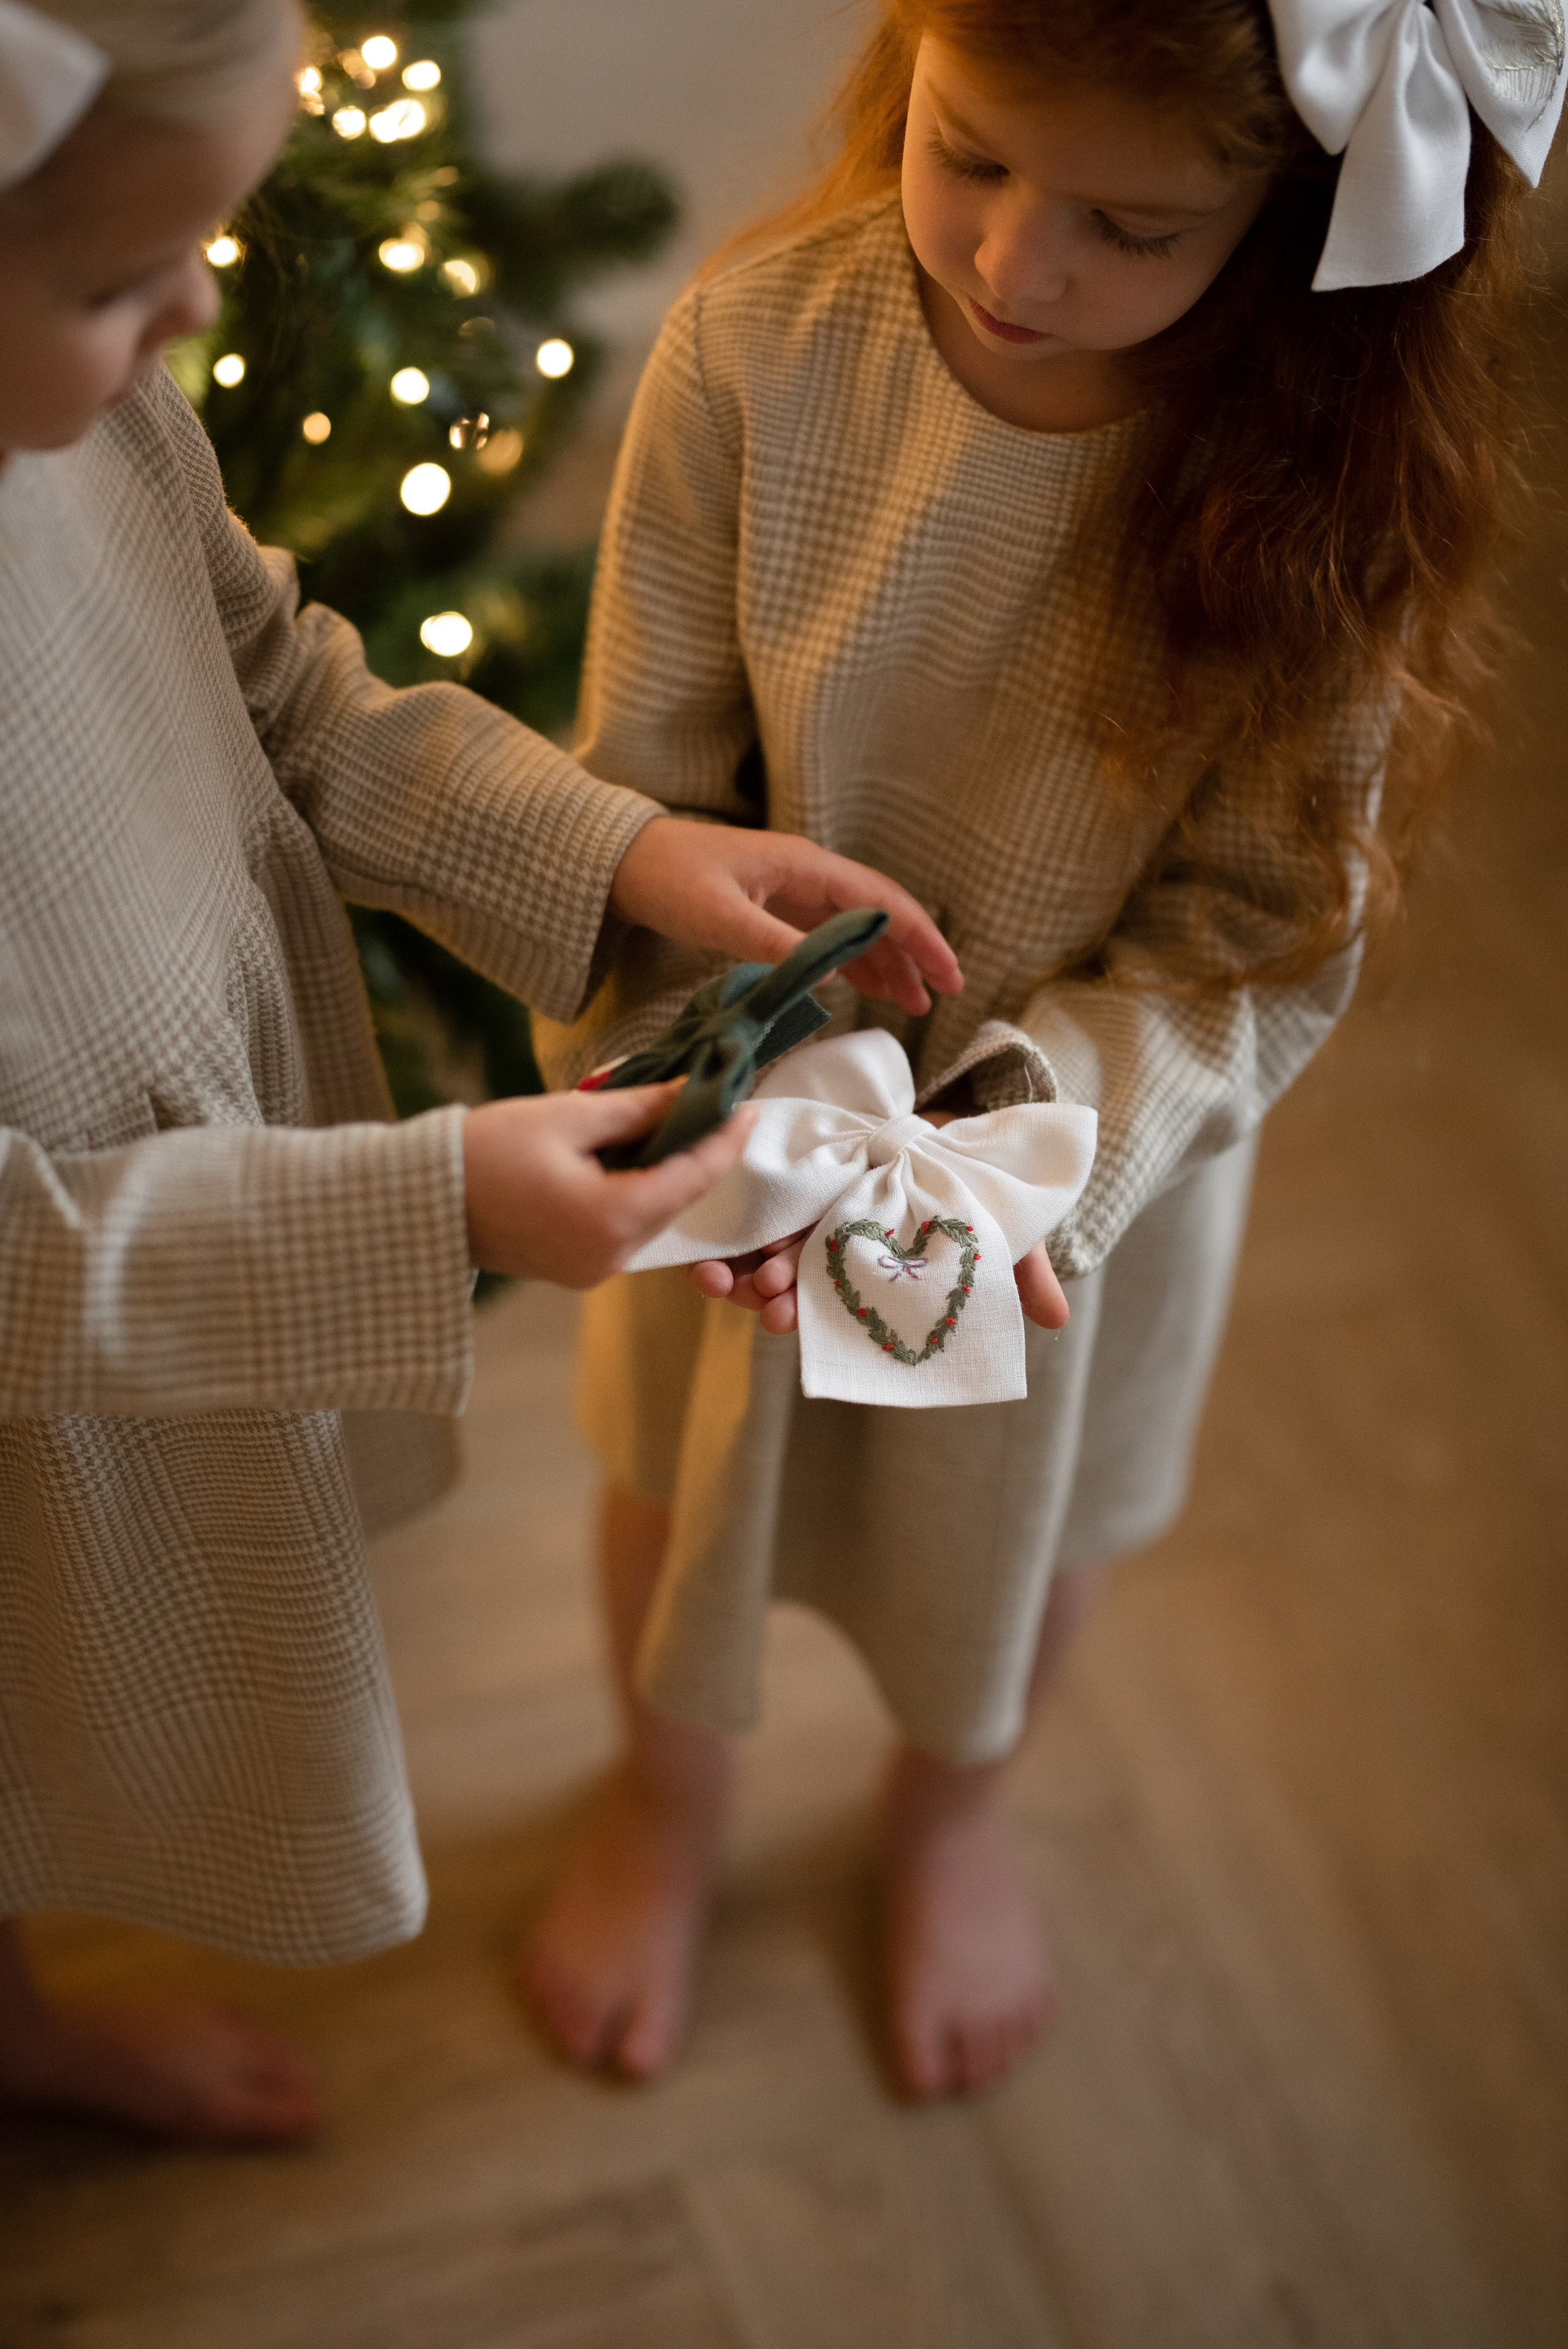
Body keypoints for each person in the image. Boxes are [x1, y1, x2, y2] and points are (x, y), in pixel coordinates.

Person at [522, 0, 1556, 2095]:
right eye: (967, 150)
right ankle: (666, 1796)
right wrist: (720, 1087)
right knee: (677, 1480)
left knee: (1031, 1524)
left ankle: (949, 1815)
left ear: (1295, 211)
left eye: (1130, 227)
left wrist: (1017, 1137)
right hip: (746, 1119)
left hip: (1070, 1183)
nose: (1013, 262)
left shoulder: (1313, 484)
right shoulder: (754, 355)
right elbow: (636, 791)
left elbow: (1257, 936)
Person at [0, 0, 963, 2143]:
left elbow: (288, 690)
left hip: (177, 1295)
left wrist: (625, 851)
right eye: (120, 277)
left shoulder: (92, 422)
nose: (194, 315)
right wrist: (433, 1204)